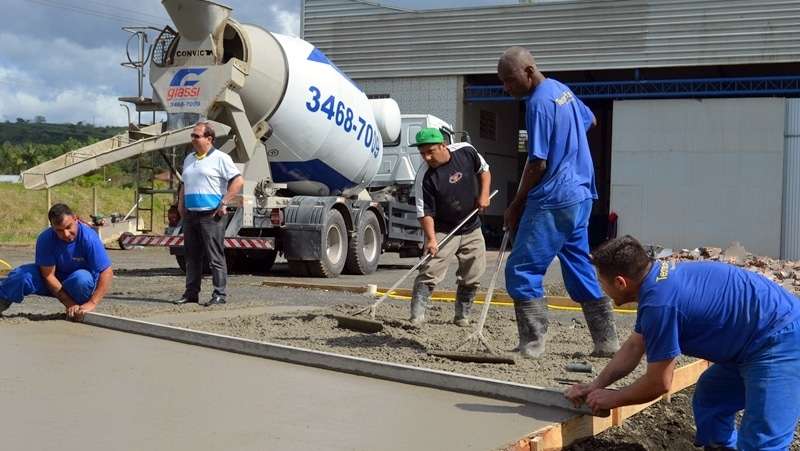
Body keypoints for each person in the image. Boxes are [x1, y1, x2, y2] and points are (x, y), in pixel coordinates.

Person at [566, 235, 800, 451]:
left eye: (601, 282)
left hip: (781, 340)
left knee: (761, 441)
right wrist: (596, 385)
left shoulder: (660, 304)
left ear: (620, 282)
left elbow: (659, 383)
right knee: (712, 397)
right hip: (752, 341)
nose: (601, 288)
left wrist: (615, 397)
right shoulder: (658, 281)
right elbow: (635, 346)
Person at [496, 46, 619, 358]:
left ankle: (532, 345)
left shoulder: (537, 104)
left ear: (528, 71)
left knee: (522, 269)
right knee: (579, 265)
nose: (506, 87)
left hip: (554, 198)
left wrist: (516, 204)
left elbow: (537, 162)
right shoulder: (561, 90)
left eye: (509, 80)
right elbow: (590, 121)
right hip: (581, 195)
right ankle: (607, 342)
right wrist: (568, 143)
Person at [410, 127, 491, 327]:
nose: (426, 157)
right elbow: (424, 211)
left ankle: (462, 315)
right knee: (430, 270)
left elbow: (485, 170)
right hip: (443, 229)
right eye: (422, 153)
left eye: (430, 151)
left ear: (443, 146)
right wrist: (431, 239)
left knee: (474, 272)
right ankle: (417, 315)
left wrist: (483, 195)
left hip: (471, 225)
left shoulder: (466, 151)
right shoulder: (424, 177)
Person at [0, 203, 112, 320]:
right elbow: (48, 276)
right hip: (52, 281)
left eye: (69, 227)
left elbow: (106, 272)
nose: (66, 234)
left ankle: (79, 310)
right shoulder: (46, 238)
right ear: (52, 227)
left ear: (75, 218)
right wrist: (68, 303)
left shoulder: (89, 238)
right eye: (59, 230)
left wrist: (92, 303)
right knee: (20, 276)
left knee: (81, 279)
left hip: (78, 284)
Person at [174, 121, 243, 307]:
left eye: (197, 136)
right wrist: (180, 204)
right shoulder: (189, 158)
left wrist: (225, 201)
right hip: (191, 215)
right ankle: (191, 294)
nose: (193, 139)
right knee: (191, 256)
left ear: (209, 139)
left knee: (215, 257)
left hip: (211, 215)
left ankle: (219, 294)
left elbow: (238, 181)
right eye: (192, 136)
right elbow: (183, 184)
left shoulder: (221, 158)